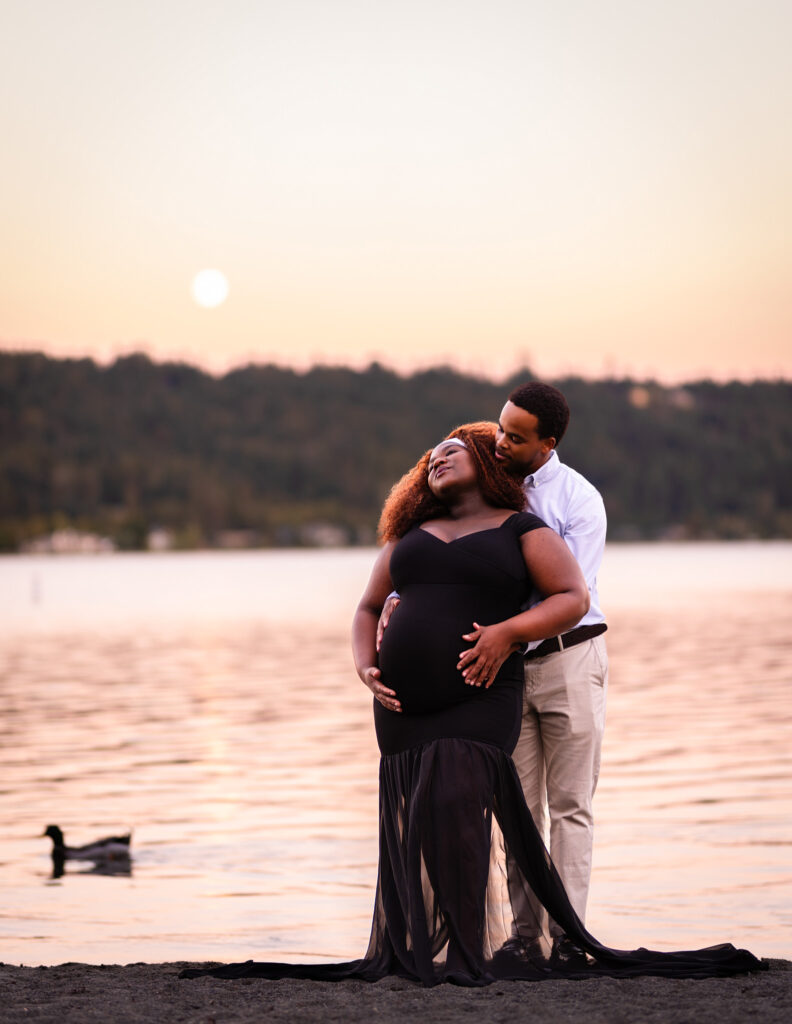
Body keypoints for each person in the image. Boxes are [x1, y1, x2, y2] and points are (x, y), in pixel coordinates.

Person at [181, 423, 762, 986]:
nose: (438, 456)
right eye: (431, 454)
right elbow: (366, 607)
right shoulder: (408, 537)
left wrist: (507, 633)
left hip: (482, 695)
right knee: (423, 818)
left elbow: (572, 596)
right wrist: (364, 668)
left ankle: (482, 949)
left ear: (486, 464)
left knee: (463, 802)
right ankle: (429, 948)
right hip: (402, 708)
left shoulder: (521, 528)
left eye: (453, 449)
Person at [379, 383, 607, 966]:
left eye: (514, 436)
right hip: (502, 674)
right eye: (499, 430)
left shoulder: (576, 500)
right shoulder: (487, 490)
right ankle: (525, 939)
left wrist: (503, 630)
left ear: (546, 443)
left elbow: (562, 591)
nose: (499, 441)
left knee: (570, 804)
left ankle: (569, 941)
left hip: (565, 658)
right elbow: (452, 565)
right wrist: (400, 599)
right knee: (517, 807)